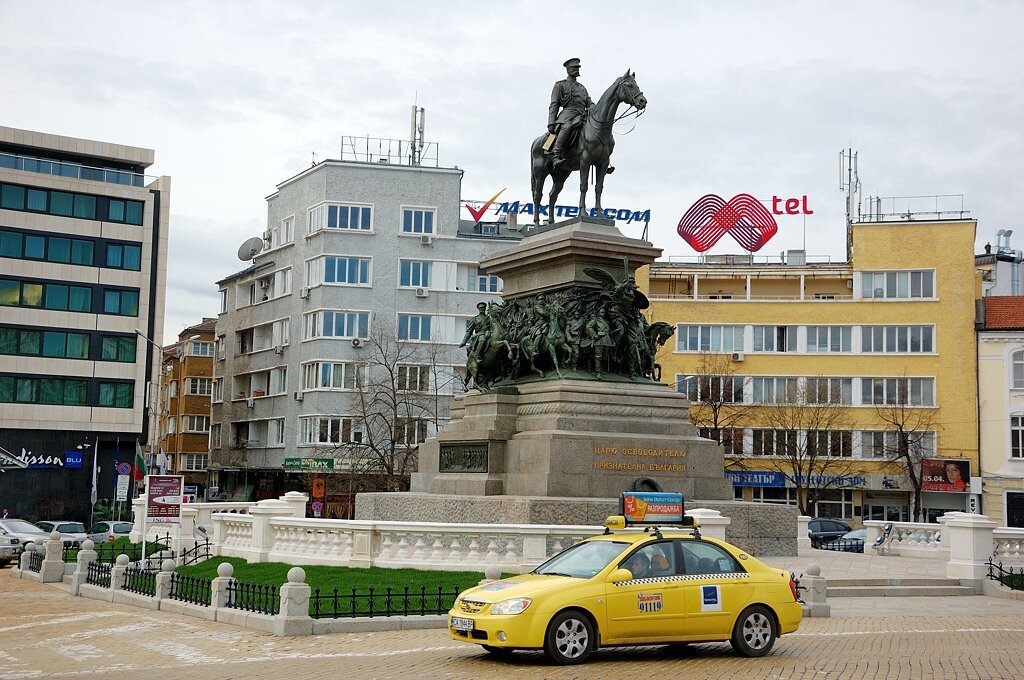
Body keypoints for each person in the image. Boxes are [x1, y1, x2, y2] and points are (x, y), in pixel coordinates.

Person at [547, 57, 593, 168]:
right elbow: (554, 104)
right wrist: (551, 122)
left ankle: (601, 158)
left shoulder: (582, 87)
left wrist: (593, 108)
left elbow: (589, 102)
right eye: (574, 68)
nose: (577, 70)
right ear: (568, 70)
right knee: (567, 127)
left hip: (582, 114)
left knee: (597, 128)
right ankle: (556, 156)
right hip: (568, 114)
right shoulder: (560, 85)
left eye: (578, 68)